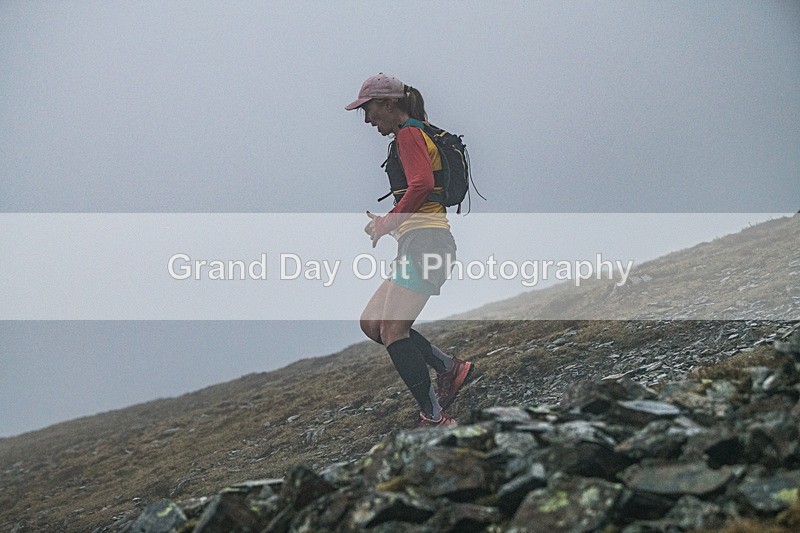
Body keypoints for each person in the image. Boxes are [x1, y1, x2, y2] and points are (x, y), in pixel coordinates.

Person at [345, 73, 474, 428]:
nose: (368, 119)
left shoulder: (408, 134)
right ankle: (450, 368)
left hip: (428, 243)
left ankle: (434, 417)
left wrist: (388, 222)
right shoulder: (414, 132)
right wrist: (390, 225)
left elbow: (421, 184)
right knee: (373, 323)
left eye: (369, 110)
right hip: (418, 242)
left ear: (388, 103)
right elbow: (421, 192)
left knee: (393, 331)